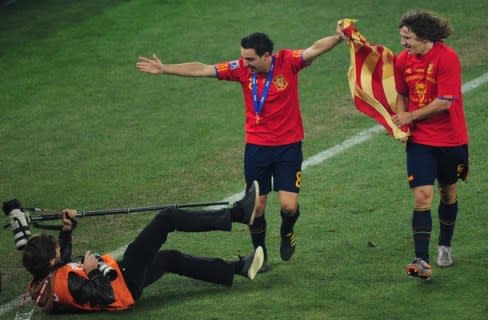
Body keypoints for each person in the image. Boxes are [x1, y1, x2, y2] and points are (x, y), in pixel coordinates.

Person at [136, 26, 345, 270]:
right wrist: (165, 69)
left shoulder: (288, 62)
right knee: (257, 206)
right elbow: (204, 69)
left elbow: (315, 49)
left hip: (288, 147)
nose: (245, 63)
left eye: (250, 59)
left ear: (267, 56)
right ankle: (260, 252)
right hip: (257, 148)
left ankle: (287, 232)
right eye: (243, 58)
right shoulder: (240, 70)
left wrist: (340, 38)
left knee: (289, 207)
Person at [20, 181, 264, 313]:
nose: (59, 249)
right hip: (124, 281)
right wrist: (93, 270)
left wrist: (66, 230)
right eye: (55, 249)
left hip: (124, 280)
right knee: (166, 219)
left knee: (171, 259)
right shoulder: (67, 283)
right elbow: (104, 295)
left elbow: (63, 263)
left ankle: (237, 269)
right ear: (51, 261)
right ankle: (239, 214)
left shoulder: (46, 278)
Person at [391, 10, 469, 280]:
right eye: (401, 37)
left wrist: (410, 115)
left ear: (424, 37)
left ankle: (445, 246)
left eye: (407, 37)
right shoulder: (403, 60)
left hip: (451, 139)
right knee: (422, 195)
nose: (403, 43)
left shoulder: (447, 58)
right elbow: (401, 93)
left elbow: (445, 101)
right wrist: (403, 124)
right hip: (420, 140)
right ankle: (421, 261)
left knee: (448, 192)